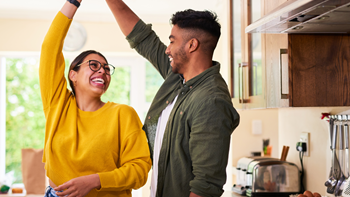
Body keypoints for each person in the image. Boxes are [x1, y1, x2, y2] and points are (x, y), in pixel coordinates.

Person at [105, 1, 240, 197]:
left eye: (172, 41)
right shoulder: (178, 78)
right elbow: (143, 39)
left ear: (192, 45)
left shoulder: (211, 100)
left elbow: (205, 186)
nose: (167, 49)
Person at [39, 0, 152, 197]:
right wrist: (73, 2)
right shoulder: (58, 105)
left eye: (107, 69)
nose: (102, 70)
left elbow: (139, 170)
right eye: (93, 65)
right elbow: (50, 49)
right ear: (72, 75)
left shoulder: (122, 114)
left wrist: (95, 181)